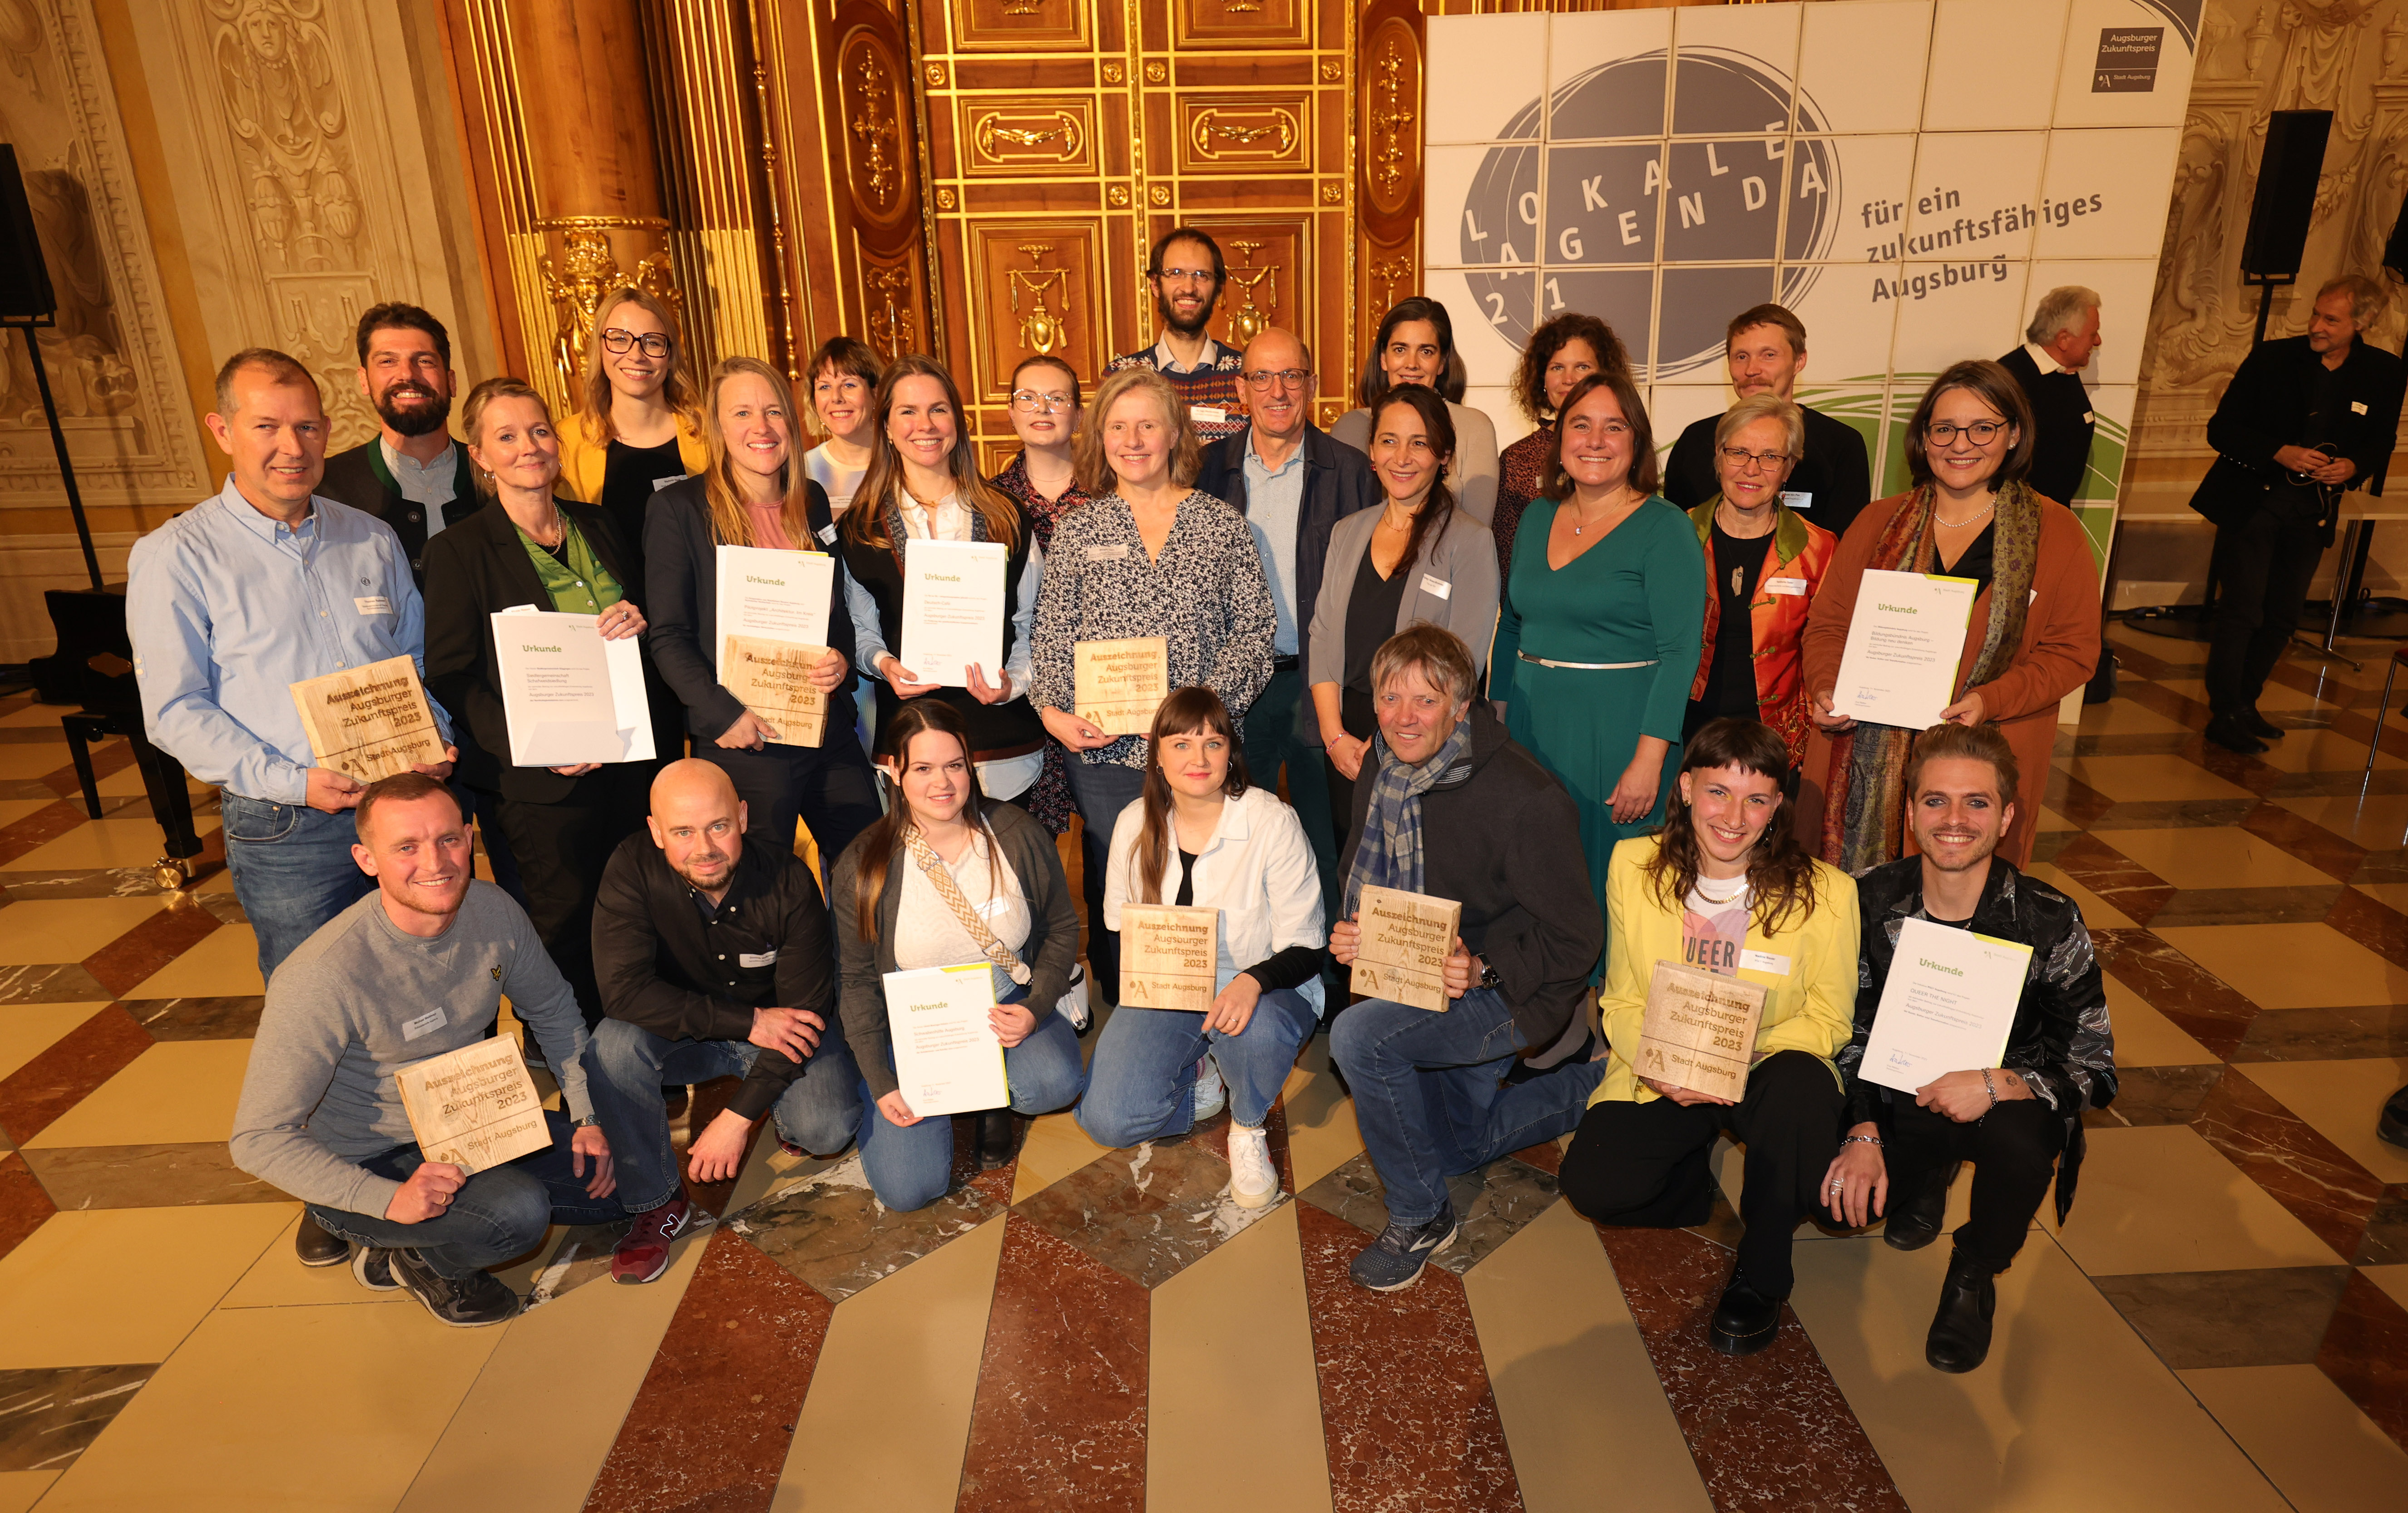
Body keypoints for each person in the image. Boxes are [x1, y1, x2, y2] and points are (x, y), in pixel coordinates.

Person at [131, 349, 459, 1269]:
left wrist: (430, 734)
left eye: (307, 425)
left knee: (417, 991)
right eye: (268, 426)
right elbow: (175, 712)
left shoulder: (368, 537)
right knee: (313, 1013)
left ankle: (431, 1158)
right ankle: (335, 1189)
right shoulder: (177, 556)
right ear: (222, 430)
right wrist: (291, 778)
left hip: (395, 810)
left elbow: (413, 665)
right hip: (287, 825)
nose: (291, 445)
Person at [228, 773, 620, 1327]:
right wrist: (387, 1200)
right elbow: (257, 1140)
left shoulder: (494, 910)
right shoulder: (321, 977)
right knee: (516, 1214)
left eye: (449, 840)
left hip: (476, 1120)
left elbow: (554, 1010)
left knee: (629, 1176)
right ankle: (418, 1258)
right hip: (374, 1156)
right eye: (406, 847)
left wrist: (586, 1112)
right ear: (367, 860)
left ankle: (429, 1233)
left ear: (469, 838)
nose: (435, 863)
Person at [1558, 719, 1859, 1356]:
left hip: (1767, 1058)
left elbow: (1829, 1020)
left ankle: (1763, 1266)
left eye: (1756, 798)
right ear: (1686, 787)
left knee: (1800, 1101)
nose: (1733, 815)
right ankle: (1689, 1172)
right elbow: (1621, 998)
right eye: (1718, 791)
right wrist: (1660, 1062)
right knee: (1595, 1186)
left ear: (1777, 805)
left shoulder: (1829, 894)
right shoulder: (1631, 866)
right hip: (1664, 1060)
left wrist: (1733, 1053)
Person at [1827, 722, 2117, 1373]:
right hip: (1897, 1096)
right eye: (1934, 800)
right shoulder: (1865, 898)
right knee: (1830, 1207)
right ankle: (1926, 1172)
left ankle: (1973, 1269)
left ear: (2006, 815)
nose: (1953, 819)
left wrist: (1995, 1083)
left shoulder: (2047, 917)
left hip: (2004, 1102)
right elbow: (1835, 1028)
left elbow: (2094, 1067)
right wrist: (1863, 1131)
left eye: (1976, 802)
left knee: (2018, 1145)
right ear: (1908, 812)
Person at [1326, 626, 1603, 1291]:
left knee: (1358, 1038)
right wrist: (1352, 934)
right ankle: (1596, 1084)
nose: (1401, 718)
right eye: (1389, 698)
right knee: (1453, 1147)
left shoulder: (1525, 799)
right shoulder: (1380, 765)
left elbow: (1577, 939)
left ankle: (1421, 1216)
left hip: (1509, 987)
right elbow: (1363, 880)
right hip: (1417, 972)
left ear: (1461, 704)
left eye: (1424, 700)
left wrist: (1484, 968)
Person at [1029, 366, 1276, 1001]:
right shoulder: (1080, 530)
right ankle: (1137, 1015)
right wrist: (1052, 713)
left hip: (1200, 755)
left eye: (1147, 424)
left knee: (1204, 885)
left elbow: (1254, 633)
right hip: (1106, 753)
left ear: (1175, 434)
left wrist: (1203, 718)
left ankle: (1215, 1011)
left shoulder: (1220, 526)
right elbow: (1051, 635)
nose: (1132, 439)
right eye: (1117, 425)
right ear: (1099, 437)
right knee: (1129, 890)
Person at [1801, 361, 2101, 872]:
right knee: (1847, 909)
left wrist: (1990, 700)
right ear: (1923, 438)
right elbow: (1829, 625)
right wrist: (1827, 686)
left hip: (1988, 752)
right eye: (1943, 429)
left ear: (2013, 436)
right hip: (1861, 757)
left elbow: (2071, 653)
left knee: (1959, 916)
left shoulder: (2054, 531)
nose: (1960, 444)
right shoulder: (1878, 522)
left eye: (1982, 427)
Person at [423, 378, 654, 1025]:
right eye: (506, 436)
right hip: (540, 786)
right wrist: (535, 744)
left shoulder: (600, 525)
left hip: (631, 763)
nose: (528, 446)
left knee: (637, 910)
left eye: (539, 430)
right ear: (480, 455)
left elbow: (648, 622)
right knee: (565, 928)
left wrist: (641, 620)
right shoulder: (458, 551)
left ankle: (640, 1046)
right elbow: (450, 672)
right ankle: (575, 1062)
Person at [587, 759, 863, 1284]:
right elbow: (622, 992)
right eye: (682, 832)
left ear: (741, 816)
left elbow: (806, 1012)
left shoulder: (787, 878)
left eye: (717, 826)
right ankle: (656, 1203)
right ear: (655, 832)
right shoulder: (630, 869)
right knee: (612, 1049)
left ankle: (777, 1107)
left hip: (779, 1030)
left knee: (825, 1128)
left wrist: (738, 1119)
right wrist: (747, 1020)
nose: (704, 848)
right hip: (682, 1033)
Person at [1078, 688, 1325, 1208]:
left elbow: (1307, 946)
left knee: (1252, 1031)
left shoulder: (1270, 821)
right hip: (1171, 988)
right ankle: (1202, 1077)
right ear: (1158, 755)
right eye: (1181, 745)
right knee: (1109, 1118)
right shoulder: (1132, 823)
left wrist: (1249, 981)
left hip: (1267, 987)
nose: (1198, 759)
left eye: (1213, 744)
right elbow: (1120, 929)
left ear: (1231, 753)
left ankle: (1247, 1123)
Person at [830, 700, 1088, 1192]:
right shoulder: (864, 863)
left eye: (953, 765)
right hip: (916, 1028)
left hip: (1006, 1002)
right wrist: (883, 1081)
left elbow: (1060, 927)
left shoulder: (1016, 833)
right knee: (909, 1189)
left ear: (971, 763)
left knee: (1051, 1083)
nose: (942, 783)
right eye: (923, 768)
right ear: (894, 771)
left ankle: (992, 1098)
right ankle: (949, 1095)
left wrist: (1035, 1008)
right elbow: (857, 979)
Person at [1489, 370, 1706, 953]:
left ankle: (1618, 1019)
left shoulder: (1664, 528)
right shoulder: (1536, 516)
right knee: (1538, 875)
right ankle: (1556, 1016)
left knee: (1615, 885)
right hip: (1533, 730)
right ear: (1559, 440)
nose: (1594, 440)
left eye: (1613, 428)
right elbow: (1512, 624)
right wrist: (1497, 724)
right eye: (1580, 425)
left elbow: (1681, 650)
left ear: (1636, 442)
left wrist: (1648, 759)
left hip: (1618, 733)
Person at [316, 302, 524, 907]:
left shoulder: (499, 469)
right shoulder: (329, 488)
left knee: (526, 889)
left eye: (424, 361)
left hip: (503, 714)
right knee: (420, 895)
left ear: (451, 380)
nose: (407, 374)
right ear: (363, 380)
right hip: (394, 734)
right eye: (388, 362)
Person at [644, 356, 880, 874]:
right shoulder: (680, 509)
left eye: (773, 412)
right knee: (763, 889)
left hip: (823, 726)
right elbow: (668, 635)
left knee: (866, 870)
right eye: (743, 413)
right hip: (743, 738)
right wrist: (721, 714)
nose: (761, 427)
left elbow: (833, 608)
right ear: (717, 426)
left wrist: (840, 659)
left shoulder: (810, 501)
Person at [1195, 325, 1380, 947]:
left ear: (1311, 384)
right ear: (1240, 388)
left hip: (1318, 682)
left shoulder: (1351, 472)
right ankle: (1242, 964)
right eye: (1261, 377)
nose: (1277, 391)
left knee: (1326, 837)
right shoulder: (1206, 471)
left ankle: (1328, 980)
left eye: (1291, 375)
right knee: (1231, 835)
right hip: (1233, 684)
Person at [2190, 274, 2406, 754]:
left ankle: (2245, 702)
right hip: (2252, 504)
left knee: (2282, 616)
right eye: (2315, 314)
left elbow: (2381, 440)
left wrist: (2353, 467)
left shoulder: (2383, 372)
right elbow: (2221, 429)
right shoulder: (2272, 359)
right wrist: (2279, 453)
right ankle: (2222, 712)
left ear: (2363, 322)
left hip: (2311, 512)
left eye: (2330, 319)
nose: (2316, 326)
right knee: (2241, 610)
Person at [839, 354, 1058, 825]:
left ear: (957, 421)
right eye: (908, 412)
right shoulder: (860, 527)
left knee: (1009, 888)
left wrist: (1012, 685)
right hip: (909, 745)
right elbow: (858, 628)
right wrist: (885, 665)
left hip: (1001, 746)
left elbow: (1036, 621)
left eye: (938, 409)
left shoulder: (1006, 514)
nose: (926, 425)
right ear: (886, 426)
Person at [1309, 384, 1498, 857]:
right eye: (1389, 440)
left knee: (1413, 889)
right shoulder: (1346, 532)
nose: (1403, 456)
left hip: (1421, 738)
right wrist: (1334, 737)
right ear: (1371, 452)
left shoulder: (1469, 541)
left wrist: (1396, 739)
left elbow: (1465, 663)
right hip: (1347, 738)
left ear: (1444, 455)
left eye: (1419, 442)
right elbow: (1322, 636)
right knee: (1351, 873)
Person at [1683, 394, 1838, 763]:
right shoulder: (1675, 534)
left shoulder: (1819, 549)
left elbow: (1827, 644)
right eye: (1738, 452)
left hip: (1774, 742)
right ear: (1718, 457)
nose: (1751, 469)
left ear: (1788, 469)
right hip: (1685, 732)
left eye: (1769, 457)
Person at [1661, 304, 1875, 541]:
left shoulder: (1841, 445)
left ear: (1799, 361)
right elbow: (1672, 539)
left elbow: (1846, 553)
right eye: (1741, 357)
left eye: (1769, 355)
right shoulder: (1695, 441)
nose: (1752, 370)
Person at [555, 286, 708, 583]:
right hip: (614, 617)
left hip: (702, 611)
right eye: (620, 339)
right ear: (600, 348)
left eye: (652, 342)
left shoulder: (710, 432)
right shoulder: (566, 440)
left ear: (670, 353)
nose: (635, 355)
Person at [1331, 298, 1501, 525]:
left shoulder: (1474, 426)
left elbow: (1477, 531)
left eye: (1426, 352)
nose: (1412, 364)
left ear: (1442, 362)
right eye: (1400, 349)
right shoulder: (1352, 427)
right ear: (1383, 359)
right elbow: (1342, 525)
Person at [1493, 312, 1627, 580]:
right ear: (1541, 380)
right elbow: (1508, 560)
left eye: (1582, 367)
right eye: (1557, 368)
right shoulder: (1517, 459)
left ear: (1605, 375)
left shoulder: (1621, 446)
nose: (1569, 379)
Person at [1108, 226, 1247, 444]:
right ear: (1155, 284)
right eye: (1176, 274)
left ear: (1219, 288)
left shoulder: (1248, 375)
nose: (1189, 287)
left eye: (1202, 276)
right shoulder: (1120, 377)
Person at [1997, 286, 2103, 508]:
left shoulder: (2064, 373)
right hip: (2015, 525)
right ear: (2063, 339)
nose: (2098, 342)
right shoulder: (2008, 380)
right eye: (2093, 334)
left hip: (2052, 519)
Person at [989, 352, 1098, 552]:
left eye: (1057, 398)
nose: (1042, 408)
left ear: (1078, 415)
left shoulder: (1106, 489)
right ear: (1011, 412)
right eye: (1027, 398)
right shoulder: (993, 498)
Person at [802, 336, 884, 518]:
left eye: (849, 385)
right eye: (824, 387)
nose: (836, 397)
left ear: (876, 393)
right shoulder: (802, 470)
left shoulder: (902, 464)